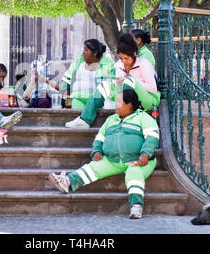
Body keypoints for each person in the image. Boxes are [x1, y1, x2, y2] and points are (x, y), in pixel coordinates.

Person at [48, 90, 160, 219]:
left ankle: (136, 207)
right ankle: (67, 182)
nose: (115, 104)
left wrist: (145, 154)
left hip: (139, 160)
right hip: (112, 160)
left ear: (129, 105)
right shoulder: (111, 119)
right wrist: (96, 151)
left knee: (133, 172)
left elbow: (152, 136)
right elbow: (100, 138)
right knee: (93, 167)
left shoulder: (143, 117)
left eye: (118, 101)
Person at [65, 33, 160, 128]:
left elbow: (153, 88)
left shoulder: (144, 64)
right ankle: (84, 120)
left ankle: (128, 120)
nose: (124, 61)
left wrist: (133, 81)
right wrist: (117, 83)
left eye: (126, 58)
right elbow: (118, 87)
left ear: (134, 54)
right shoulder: (119, 65)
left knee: (129, 81)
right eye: (121, 58)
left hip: (147, 100)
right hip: (126, 98)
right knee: (104, 85)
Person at [60, 39, 115, 109]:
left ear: (95, 52)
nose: (83, 52)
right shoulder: (79, 62)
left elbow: (113, 86)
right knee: (74, 111)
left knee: (88, 112)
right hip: (76, 97)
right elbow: (66, 82)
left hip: (96, 99)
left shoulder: (108, 64)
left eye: (86, 50)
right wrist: (66, 102)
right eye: (83, 50)